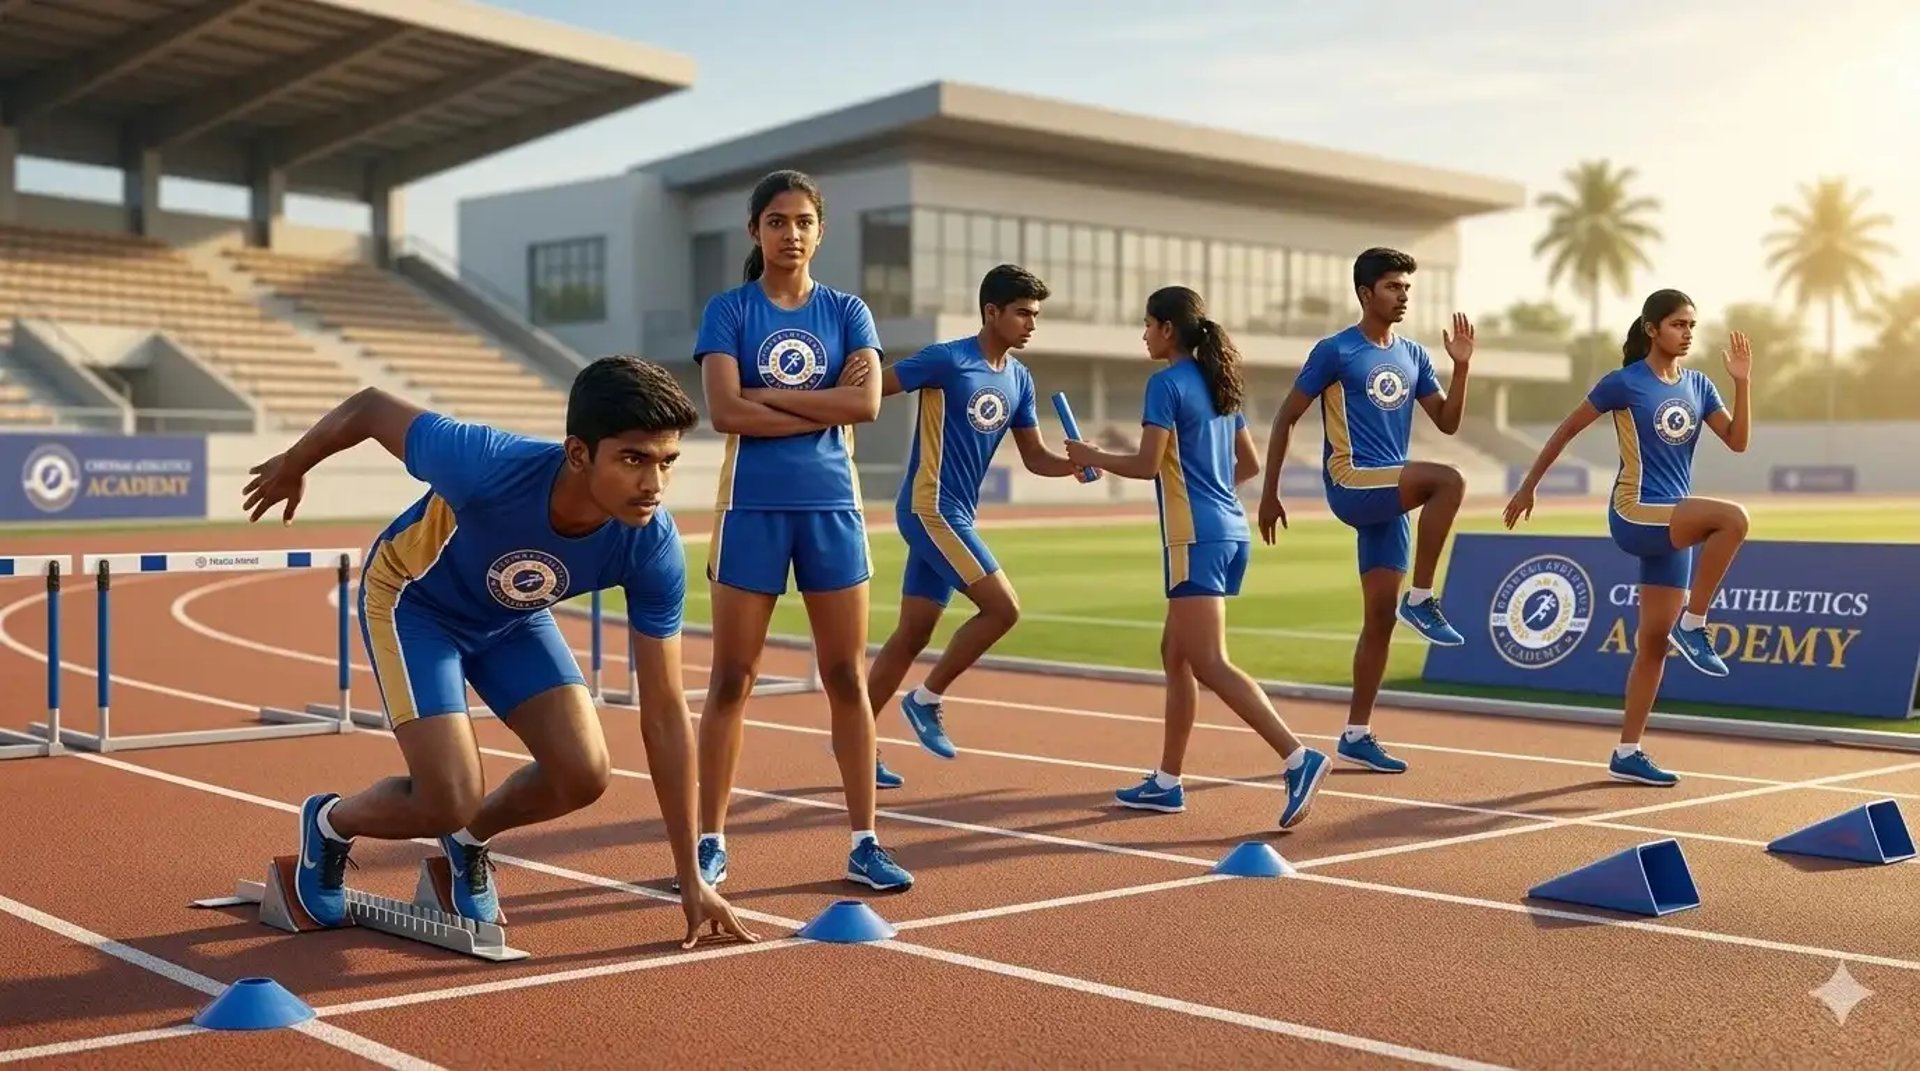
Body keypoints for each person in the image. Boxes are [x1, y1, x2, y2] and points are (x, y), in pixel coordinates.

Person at [240, 356, 758, 950]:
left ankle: (467, 839)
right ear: (578, 454)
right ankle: (330, 824)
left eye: (667, 462)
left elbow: (666, 713)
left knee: (583, 774)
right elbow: (370, 408)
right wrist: (294, 464)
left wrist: (691, 876)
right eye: (634, 459)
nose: (654, 485)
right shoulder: (486, 463)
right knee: (444, 795)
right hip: (415, 604)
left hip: (511, 619)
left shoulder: (650, 543)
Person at [689, 168, 912, 891]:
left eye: (803, 222)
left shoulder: (850, 311)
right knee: (732, 678)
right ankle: (710, 839)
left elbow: (870, 404)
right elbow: (725, 412)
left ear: (821, 231)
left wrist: (769, 395)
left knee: (847, 675)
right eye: (777, 221)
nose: (791, 233)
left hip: (833, 509)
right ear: (756, 230)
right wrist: (826, 398)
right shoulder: (728, 311)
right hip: (749, 509)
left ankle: (865, 841)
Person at [1065, 286, 1330, 829]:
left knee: (1208, 661)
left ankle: (1298, 757)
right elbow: (1249, 465)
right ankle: (1167, 781)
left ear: (1167, 329)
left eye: (1146, 324)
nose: (1142, 334)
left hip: (1193, 537)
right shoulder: (1218, 383)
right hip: (1229, 531)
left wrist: (1092, 455)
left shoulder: (1164, 385)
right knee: (1175, 652)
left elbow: (1144, 465)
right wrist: (1209, 492)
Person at [1505, 289, 1752, 786]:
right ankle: (1696, 623)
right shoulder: (1624, 383)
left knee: (1654, 645)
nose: (1687, 333)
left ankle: (1628, 751)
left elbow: (1739, 441)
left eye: (1691, 326)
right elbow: (1565, 431)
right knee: (1733, 519)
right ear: (1651, 328)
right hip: (1635, 512)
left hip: (1671, 527)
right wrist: (1529, 485)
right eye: (1679, 324)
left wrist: (1743, 383)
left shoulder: (1700, 385)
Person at [864, 264, 1089, 783]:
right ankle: (926, 699)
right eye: (1023, 314)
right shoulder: (948, 360)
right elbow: (875, 390)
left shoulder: (1019, 378)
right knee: (1003, 608)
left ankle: (853, 739)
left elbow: (1035, 457)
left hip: (958, 513)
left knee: (911, 635)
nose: (1032, 324)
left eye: (1036, 315)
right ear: (992, 312)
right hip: (929, 508)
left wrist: (1074, 462)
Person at [1256, 247, 1475, 776]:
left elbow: (1447, 422)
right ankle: (1422, 599)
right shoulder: (1336, 351)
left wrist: (1462, 367)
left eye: (1406, 289)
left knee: (1379, 619)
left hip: (1389, 495)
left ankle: (1356, 733)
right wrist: (1269, 493)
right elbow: (1286, 419)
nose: (1402, 296)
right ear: (1364, 293)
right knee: (1450, 481)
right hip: (1352, 480)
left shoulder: (1416, 356)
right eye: (1392, 287)